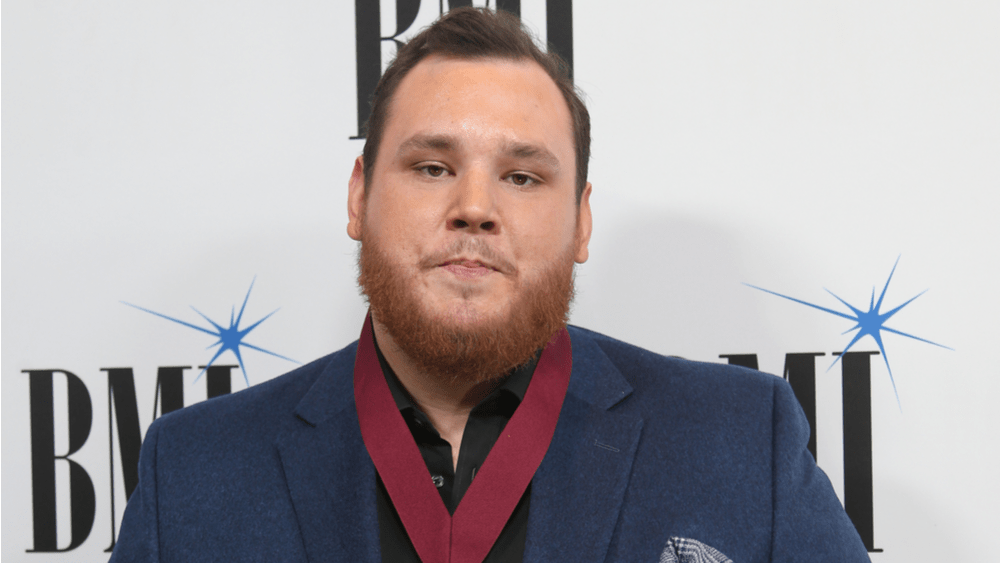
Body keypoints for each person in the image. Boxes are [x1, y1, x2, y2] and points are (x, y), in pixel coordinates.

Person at [110, 8, 870, 563]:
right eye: (432, 166)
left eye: (522, 176)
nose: (474, 206)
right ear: (358, 196)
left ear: (581, 222)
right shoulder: (194, 472)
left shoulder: (741, 441)